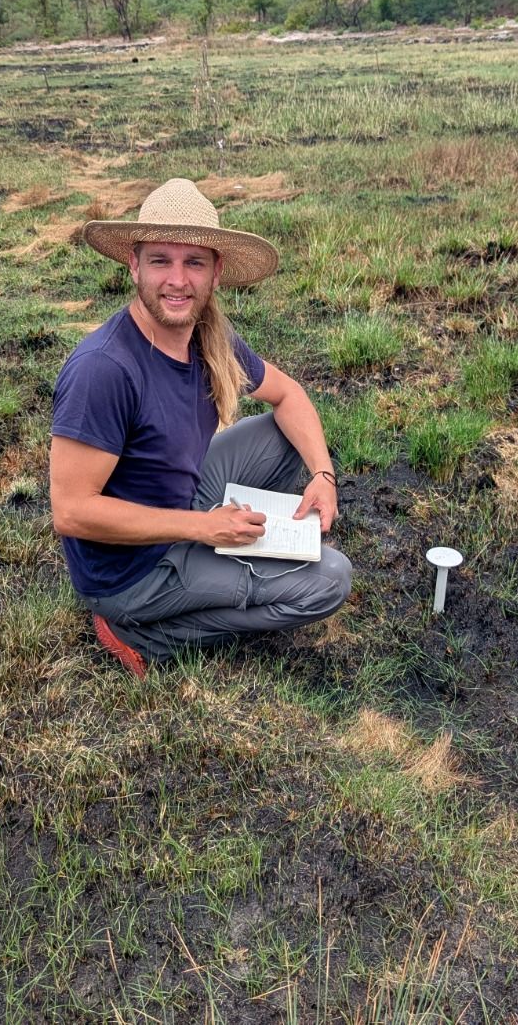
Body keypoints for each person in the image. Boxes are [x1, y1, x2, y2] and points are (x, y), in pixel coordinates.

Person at [49, 178, 353, 679]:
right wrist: (202, 528)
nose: (177, 280)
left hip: (181, 499)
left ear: (217, 272)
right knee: (330, 581)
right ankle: (144, 634)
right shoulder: (103, 370)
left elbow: (289, 395)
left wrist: (323, 475)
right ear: (134, 266)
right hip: (131, 571)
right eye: (160, 260)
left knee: (284, 434)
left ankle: (212, 557)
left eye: (194, 261)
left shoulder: (208, 335)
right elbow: (72, 512)